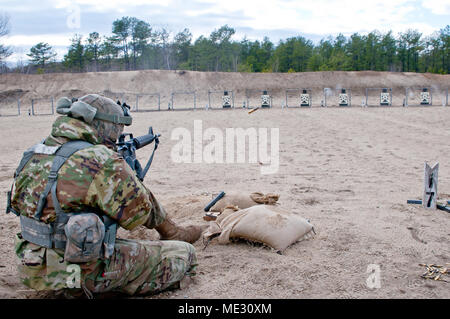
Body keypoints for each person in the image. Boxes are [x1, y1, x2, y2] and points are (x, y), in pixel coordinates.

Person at [6, 94, 204, 297]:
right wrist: (127, 175)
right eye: (117, 129)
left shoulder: (34, 152)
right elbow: (139, 214)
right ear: (104, 126)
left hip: (32, 265)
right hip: (77, 275)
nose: (118, 135)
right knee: (184, 253)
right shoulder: (99, 159)